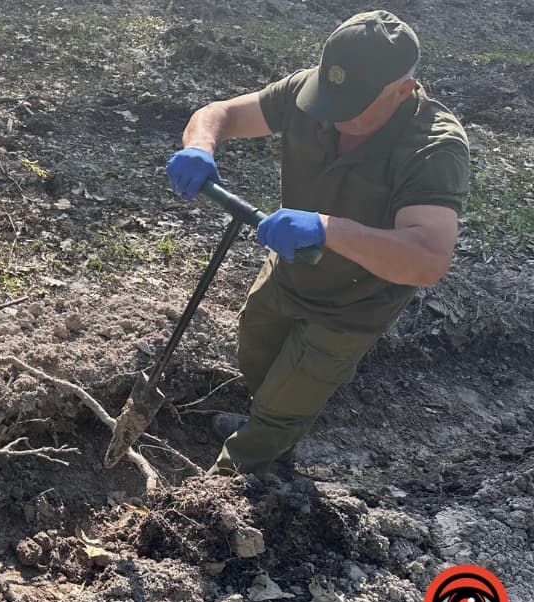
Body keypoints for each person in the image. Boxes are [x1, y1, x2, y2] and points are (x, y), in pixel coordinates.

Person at [165, 10, 469, 475]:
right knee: (256, 355)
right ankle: (267, 419)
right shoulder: (315, 94)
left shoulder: (433, 146)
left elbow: (427, 259)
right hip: (290, 269)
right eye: (331, 97)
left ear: (402, 90)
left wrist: (329, 228)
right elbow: (219, 114)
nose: (334, 113)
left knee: (288, 399)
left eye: (354, 105)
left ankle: (240, 471)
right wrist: (199, 146)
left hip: (353, 303)